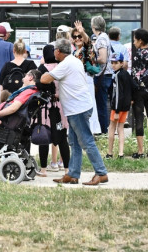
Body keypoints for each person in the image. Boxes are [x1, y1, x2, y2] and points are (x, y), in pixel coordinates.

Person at [40, 38, 108, 186]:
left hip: (77, 109)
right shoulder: (74, 60)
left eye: (54, 50)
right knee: (74, 142)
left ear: (58, 51)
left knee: (86, 141)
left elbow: (45, 79)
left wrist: (41, 68)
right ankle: (72, 174)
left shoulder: (65, 64)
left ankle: (101, 172)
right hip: (78, 107)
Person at [36, 44, 70, 176]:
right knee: (62, 138)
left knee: (44, 137)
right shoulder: (62, 67)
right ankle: (67, 169)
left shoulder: (41, 69)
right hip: (61, 107)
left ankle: (43, 169)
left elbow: (37, 86)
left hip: (45, 108)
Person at [131, 29, 148, 158]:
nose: (134, 42)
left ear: (140, 41)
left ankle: (140, 151)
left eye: (135, 40)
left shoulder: (138, 54)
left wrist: (131, 93)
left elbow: (134, 74)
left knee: (139, 119)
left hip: (139, 91)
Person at [71, 21, 101, 134]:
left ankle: (92, 130)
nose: (77, 38)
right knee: (78, 105)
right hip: (75, 81)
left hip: (86, 78)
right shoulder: (74, 52)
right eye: (75, 37)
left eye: (79, 36)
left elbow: (88, 42)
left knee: (89, 104)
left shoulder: (87, 49)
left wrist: (82, 32)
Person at [106, 52, 135, 159]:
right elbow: (134, 86)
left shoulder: (117, 75)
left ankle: (109, 153)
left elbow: (118, 94)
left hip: (117, 107)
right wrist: (131, 99)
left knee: (111, 128)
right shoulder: (126, 74)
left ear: (122, 63)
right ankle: (121, 153)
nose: (113, 65)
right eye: (112, 63)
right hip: (125, 106)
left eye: (116, 63)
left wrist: (117, 110)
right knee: (121, 129)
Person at [91, 15, 112, 134]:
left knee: (101, 105)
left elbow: (103, 59)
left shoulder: (101, 39)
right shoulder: (104, 37)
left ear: (93, 26)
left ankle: (103, 131)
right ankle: (103, 130)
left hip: (102, 76)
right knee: (102, 104)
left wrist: (91, 59)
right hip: (105, 75)